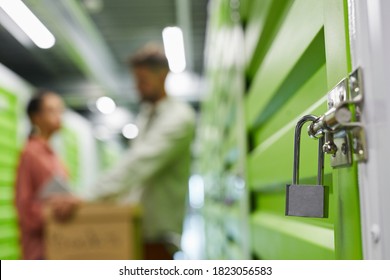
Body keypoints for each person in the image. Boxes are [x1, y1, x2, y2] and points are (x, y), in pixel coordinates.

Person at [86, 44, 196, 259]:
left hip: (158, 238)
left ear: (163, 75)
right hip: (137, 230)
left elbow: (138, 165)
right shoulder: (146, 116)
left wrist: (87, 198)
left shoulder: (179, 118)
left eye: (142, 81)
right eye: (136, 81)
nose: (137, 87)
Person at [15, 90, 79, 260]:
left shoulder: (53, 155)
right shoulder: (30, 153)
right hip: (39, 250)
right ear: (35, 117)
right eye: (52, 110)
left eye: (61, 111)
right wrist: (54, 211)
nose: (59, 116)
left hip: (58, 243)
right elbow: (24, 206)